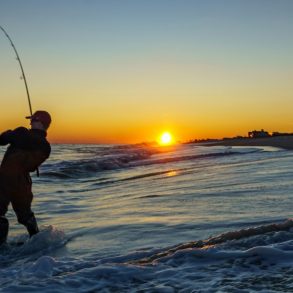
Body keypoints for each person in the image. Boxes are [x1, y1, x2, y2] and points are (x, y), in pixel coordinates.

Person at [0, 111, 51, 245]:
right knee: (25, 216)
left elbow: (3, 139)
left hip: (7, 180)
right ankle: (37, 242)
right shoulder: (45, 146)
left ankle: (2, 249)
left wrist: (14, 133)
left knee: (7, 214)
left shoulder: (25, 135)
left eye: (33, 119)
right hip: (23, 183)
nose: (30, 122)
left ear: (40, 121)